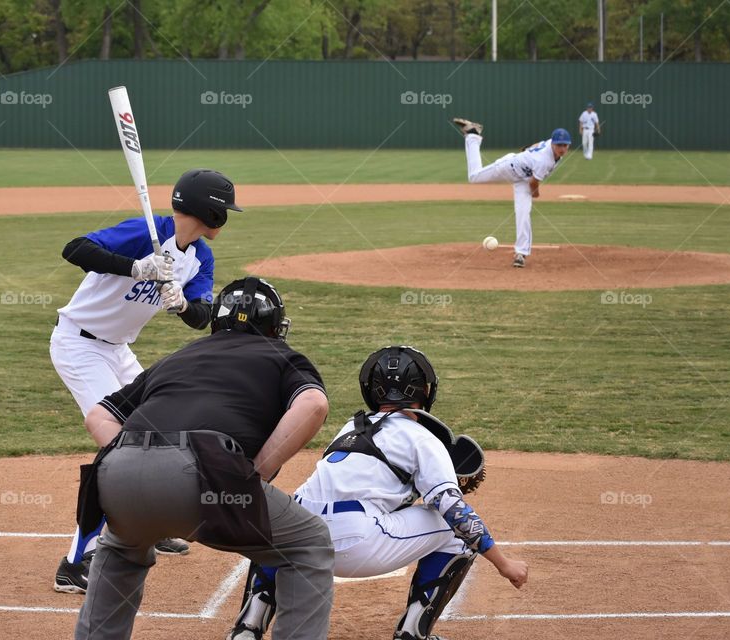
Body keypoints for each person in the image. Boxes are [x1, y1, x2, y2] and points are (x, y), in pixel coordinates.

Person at [75, 276, 334, 640]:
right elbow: (313, 404)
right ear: (275, 325)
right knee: (308, 545)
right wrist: (258, 471)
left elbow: (97, 417)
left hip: (116, 475)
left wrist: (130, 452)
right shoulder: (283, 357)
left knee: (119, 551)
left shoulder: (178, 357)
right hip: (207, 474)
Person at [228, 345, 528, 640]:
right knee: (457, 532)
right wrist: (505, 564)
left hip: (300, 538)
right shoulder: (423, 439)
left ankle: (247, 628)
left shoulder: (349, 427)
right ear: (425, 390)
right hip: (356, 544)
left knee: (280, 522)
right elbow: (454, 509)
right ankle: (412, 634)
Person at [52, 168, 243, 594]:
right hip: (79, 345)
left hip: (118, 350)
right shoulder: (146, 232)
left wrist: (181, 305)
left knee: (160, 433)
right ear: (208, 210)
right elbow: (75, 248)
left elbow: (202, 317)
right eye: (223, 210)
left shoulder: (199, 258)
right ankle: (76, 560)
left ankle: (150, 523)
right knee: (120, 446)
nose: (226, 218)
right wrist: (135, 267)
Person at [452, 118, 570, 268]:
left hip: (523, 180)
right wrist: (535, 194)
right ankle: (473, 136)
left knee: (523, 212)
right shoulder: (544, 161)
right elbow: (534, 183)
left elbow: (538, 144)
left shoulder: (550, 145)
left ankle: (520, 254)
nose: (562, 148)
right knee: (474, 177)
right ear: (553, 143)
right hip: (508, 168)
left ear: (569, 145)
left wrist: (527, 151)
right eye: (559, 145)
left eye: (565, 145)